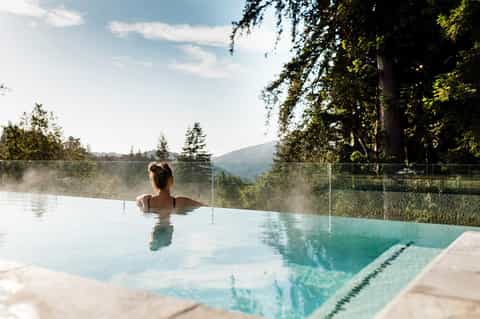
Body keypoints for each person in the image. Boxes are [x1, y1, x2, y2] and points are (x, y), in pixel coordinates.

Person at [136, 162, 204, 212]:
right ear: (171, 180)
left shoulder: (147, 201)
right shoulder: (180, 201)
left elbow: (137, 199)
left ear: (153, 182)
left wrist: (144, 200)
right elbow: (205, 207)